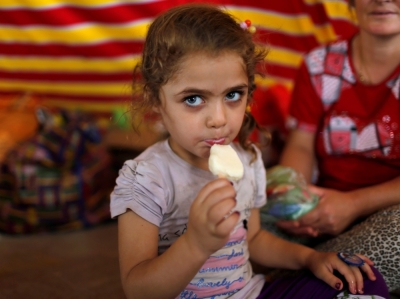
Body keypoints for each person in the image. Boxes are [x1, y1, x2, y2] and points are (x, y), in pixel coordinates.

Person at [110, 4, 389, 299]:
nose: (218, 119)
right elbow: (137, 290)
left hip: (251, 293)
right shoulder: (145, 177)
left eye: (233, 95)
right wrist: (195, 245)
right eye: (193, 99)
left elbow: (254, 239)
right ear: (155, 100)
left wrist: (311, 259)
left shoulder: (248, 159)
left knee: (361, 281)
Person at [271, 0, 400, 292]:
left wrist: (353, 205)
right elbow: (300, 146)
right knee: (248, 214)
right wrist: (293, 198)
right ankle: (321, 272)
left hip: (389, 212)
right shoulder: (319, 64)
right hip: (322, 205)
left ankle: (301, 271)